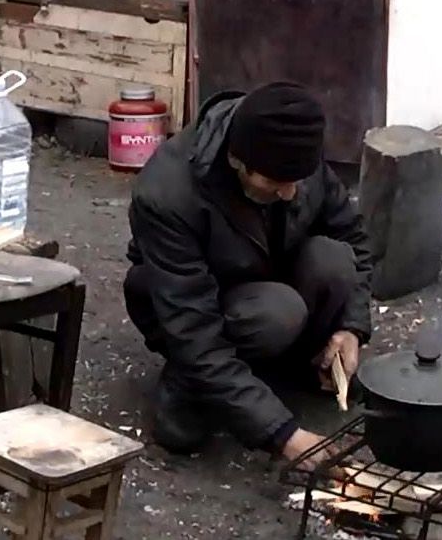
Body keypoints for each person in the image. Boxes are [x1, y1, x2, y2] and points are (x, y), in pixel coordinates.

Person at [123, 82, 375, 465]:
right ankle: (189, 383)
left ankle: (290, 367)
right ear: (238, 161)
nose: (290, 194)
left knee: (333, 259)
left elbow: (352, 238)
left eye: (295, 181)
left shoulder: (292, 145)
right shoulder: (167, 194)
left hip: (265, 274)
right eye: (274, 184)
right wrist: (282, 435)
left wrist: (351, 328)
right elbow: (193, 329)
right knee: (276, 313)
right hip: (191, 309)